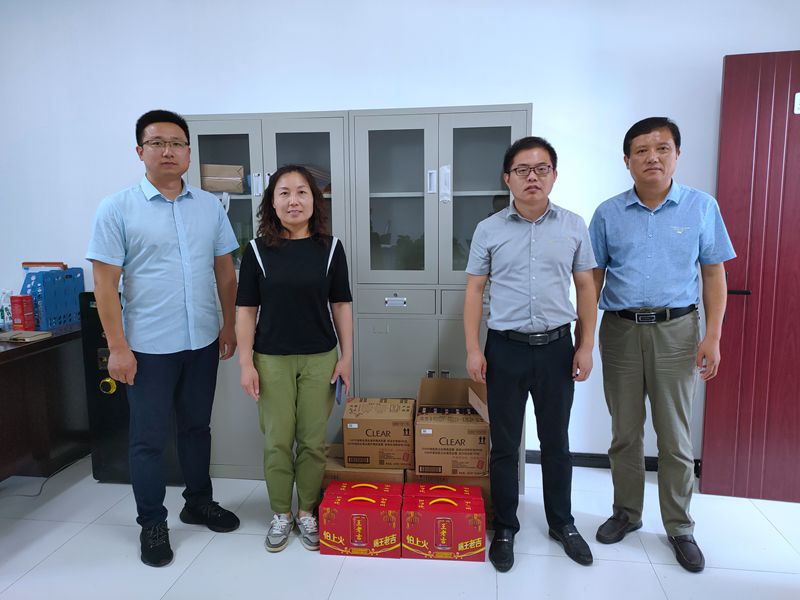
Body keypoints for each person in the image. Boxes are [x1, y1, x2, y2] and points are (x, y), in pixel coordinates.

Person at [86, 109, 241, 568]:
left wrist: (228, 326)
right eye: (157, 143)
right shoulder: (116, 208)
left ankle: (198, 502)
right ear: (141, 151)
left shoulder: (210, 207)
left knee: (197, 428)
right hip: (147, 349)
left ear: (189, 152)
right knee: (149, 439)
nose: (168, 151)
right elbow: (105, 286)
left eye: (176, 143)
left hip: (201, 342)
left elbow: (225, 273)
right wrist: (117, 348)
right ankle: (152, 522)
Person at [589, 117, 736, 573]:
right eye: (642, 150)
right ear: (627, 160)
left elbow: (713, 273)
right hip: (620, 329)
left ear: (677, 154)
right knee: (625, 431)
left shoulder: (701, 207)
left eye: (662, 148)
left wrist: (712, 335)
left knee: (674, 435)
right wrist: (582, 337)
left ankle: (680, 526)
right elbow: (592, 278)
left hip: (677, 331)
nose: (652, 157)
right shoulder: (608, 213)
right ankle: (626, 513)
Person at [464, 136, 598, 572]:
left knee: (556, 441)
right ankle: (505, 526)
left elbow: (585, 287)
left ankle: (562, 523)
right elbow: (474, 291)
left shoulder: (573, 225)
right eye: (522, 170)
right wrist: (473, 349)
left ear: (554, 176)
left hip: (557, 348)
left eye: (541, 169)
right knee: (504, 444)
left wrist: (586, 345)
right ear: (508, 178)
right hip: (504, 349)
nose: (532, 177)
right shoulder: (489, 229)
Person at [235, 164, 353, 553]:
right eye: (283, 193)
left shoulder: (331, 248)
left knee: (313, 442)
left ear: (314, 200)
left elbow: (341, 304)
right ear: (272, 202)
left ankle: (306, 511)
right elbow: (246, 310)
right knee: (278, 441)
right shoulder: (256, 251)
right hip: (271, 359)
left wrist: (347, 357)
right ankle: (281, 513)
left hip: (321, 357)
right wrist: (246, 363)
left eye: (302, 192)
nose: (293, 200)